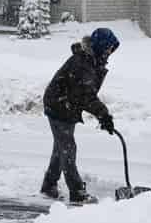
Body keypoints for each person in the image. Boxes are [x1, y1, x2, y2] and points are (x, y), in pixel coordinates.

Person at [41, 28, 120, 204]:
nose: (109, 52)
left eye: (111, 49)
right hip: (58, 105)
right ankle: (77, 192)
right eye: (107, 48)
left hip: (67, 105)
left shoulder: (92, 61)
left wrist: (102, 116)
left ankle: (49, 185)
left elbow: (85, 94)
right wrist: (103, 115)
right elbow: (86, 96)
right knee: (68, 148)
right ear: (99, 46)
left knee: (61, 147)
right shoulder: (82, 64)